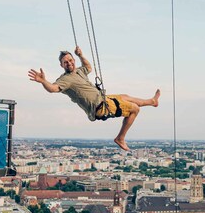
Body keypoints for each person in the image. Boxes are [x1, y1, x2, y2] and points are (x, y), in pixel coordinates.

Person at [28, 46, 160, 151]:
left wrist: (80, 55)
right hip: (100, 107)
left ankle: (152, 102)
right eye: (65, 62)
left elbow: (88, 67)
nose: (69, 63)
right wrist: (43, 81)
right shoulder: (65, 80)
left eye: (70, 60)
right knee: (135, 109)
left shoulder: (79, 71)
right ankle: (121, 138)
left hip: (103, 99)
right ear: (61, 65)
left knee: (126, 97)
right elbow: (53, 88)